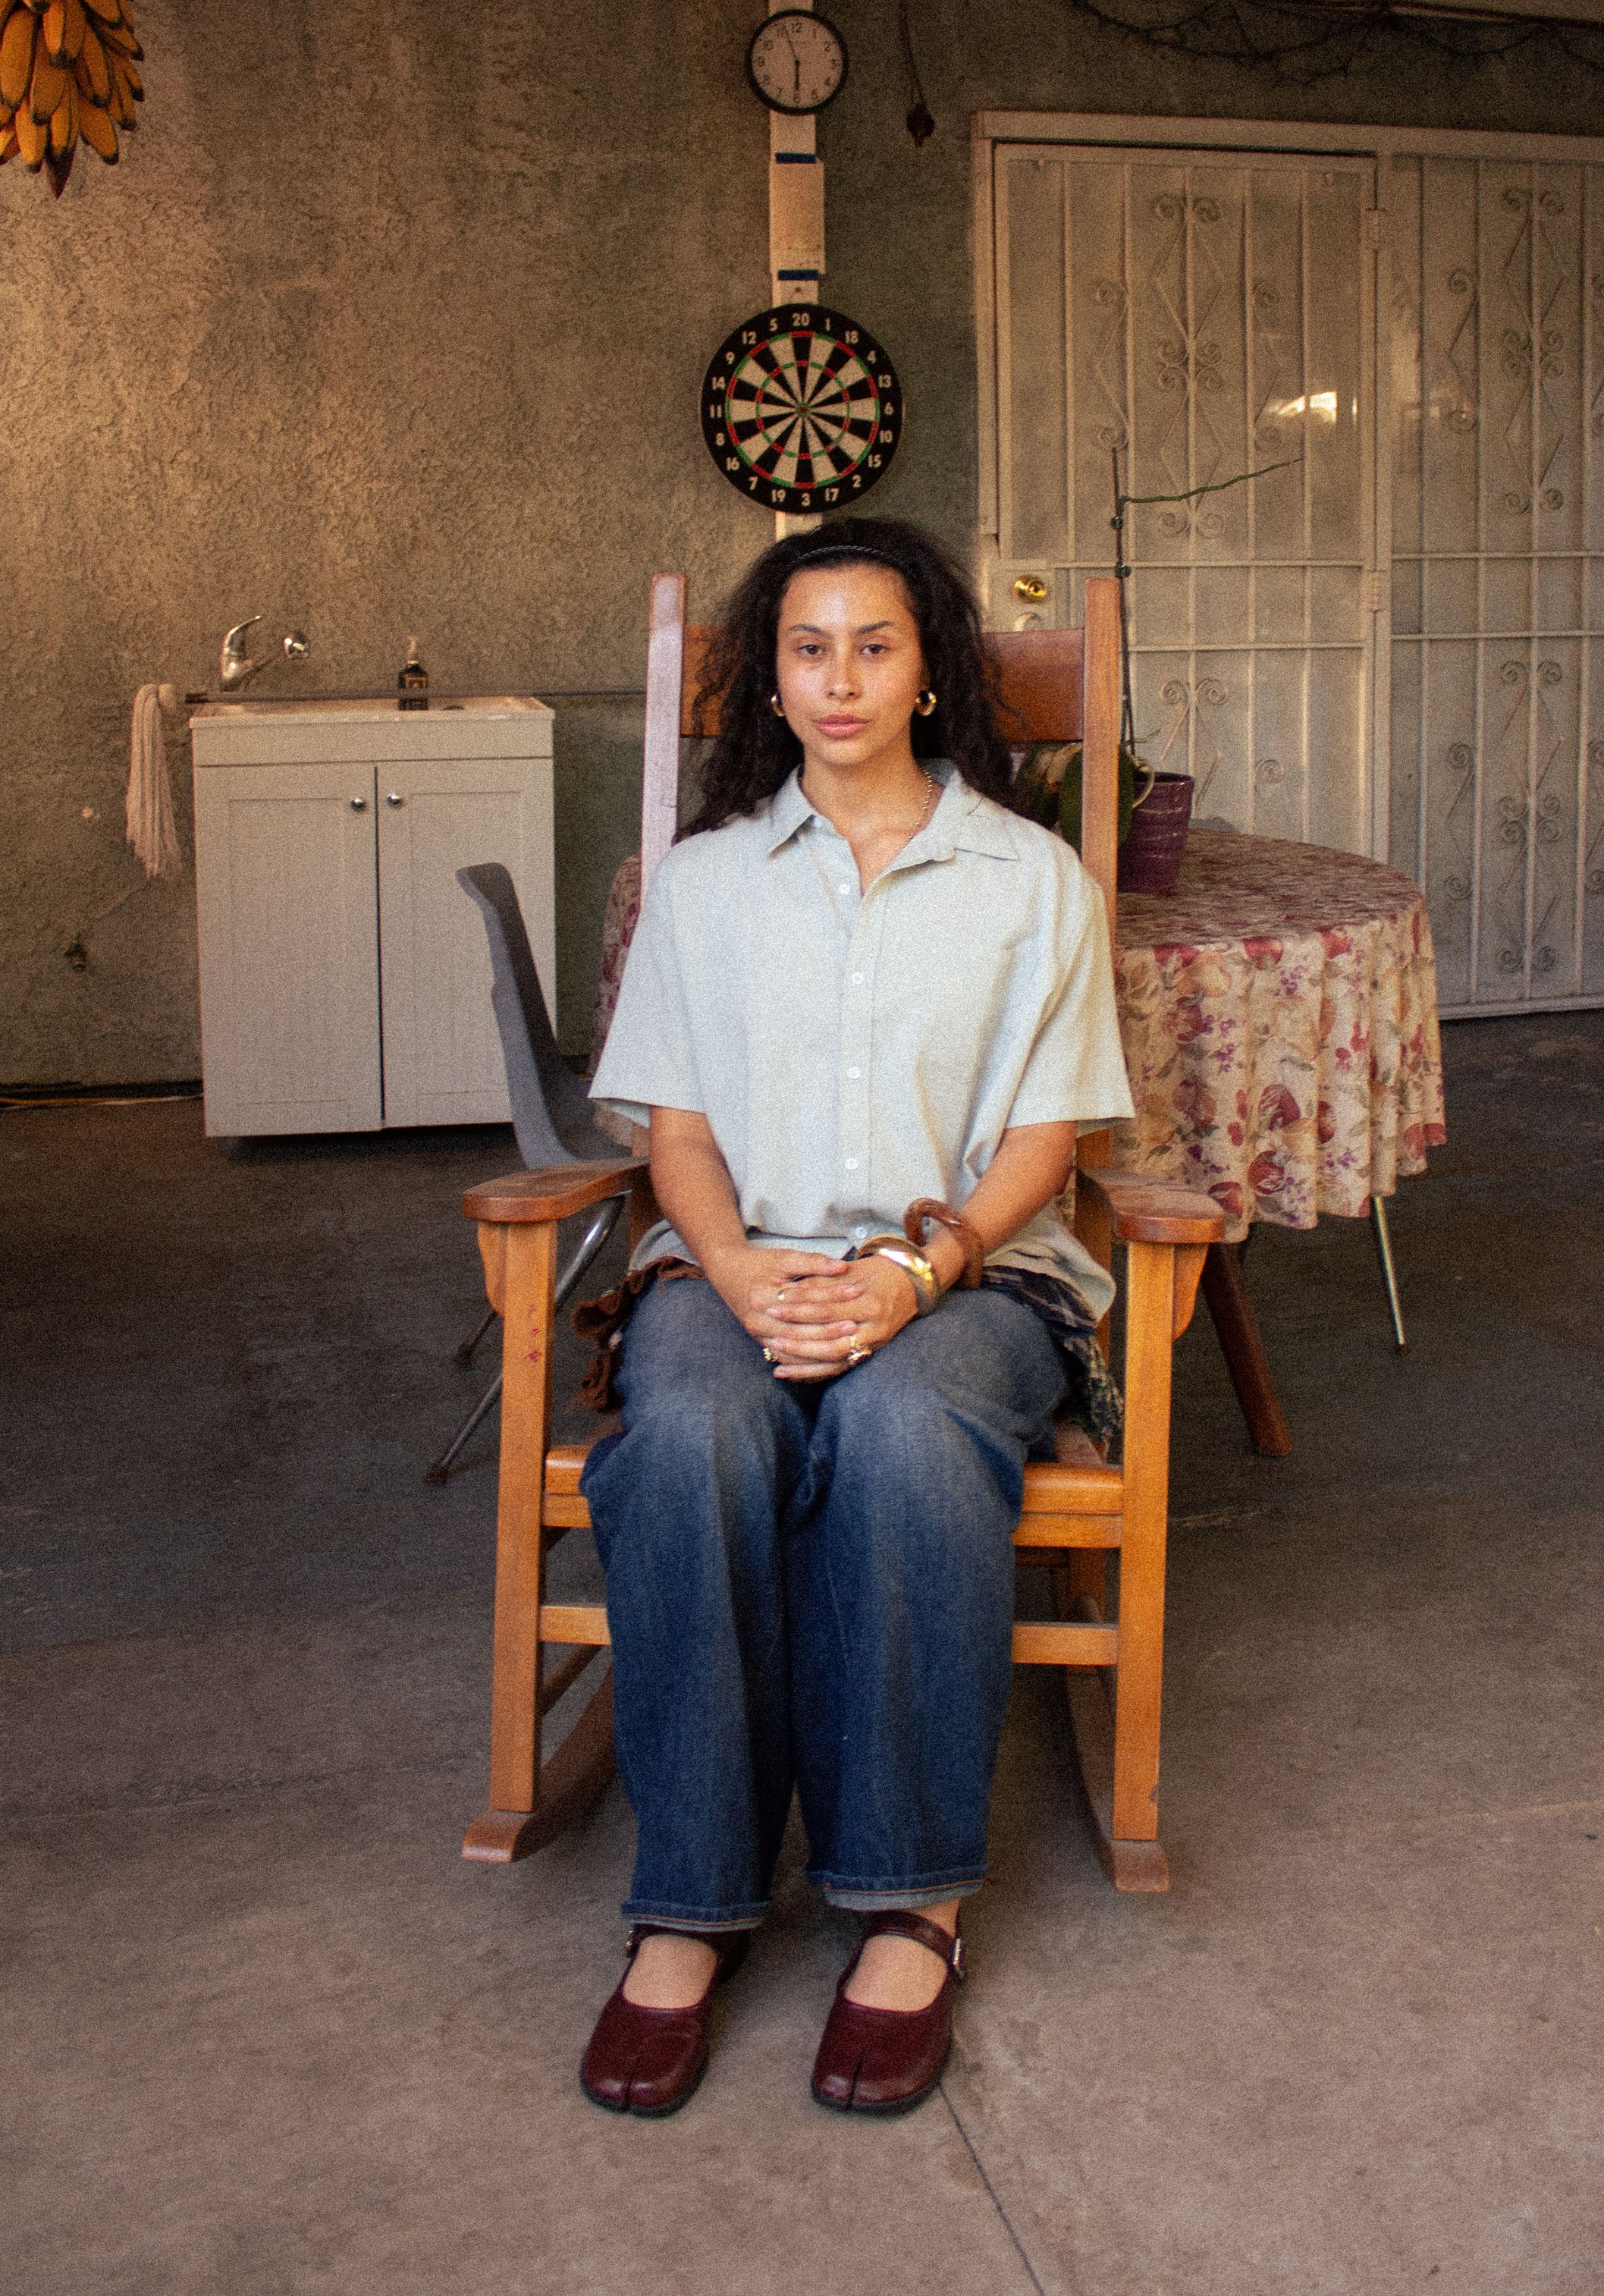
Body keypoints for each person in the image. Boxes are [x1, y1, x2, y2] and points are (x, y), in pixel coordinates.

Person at [582, 515, 1132, 2117]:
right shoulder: (703, 884)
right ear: (771, 679)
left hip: (972, 1271)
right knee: (689, 1427)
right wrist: (738, 1269)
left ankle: (909, 1901)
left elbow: (1048, 1137)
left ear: (927, 672)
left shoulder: (1029, 880)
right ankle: (688, 1903)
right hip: (735, 1260)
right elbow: (678, 1127)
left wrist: (917, 1273)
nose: (839, 679)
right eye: (807, 648)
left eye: (873, 646)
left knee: (899, 1426)